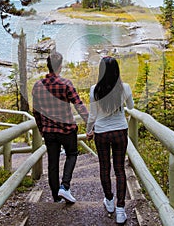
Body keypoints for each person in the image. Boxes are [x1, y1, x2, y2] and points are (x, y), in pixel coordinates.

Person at [32, 51, 89, 203]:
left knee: (52, 162)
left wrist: (41, 129)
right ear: (60, 66)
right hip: (67, 129)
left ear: (48, 66)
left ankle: (56, 196)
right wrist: (90, 124)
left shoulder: (38, 86)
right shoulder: (66, 84)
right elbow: (79, 106)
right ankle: (65, 186)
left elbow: (36, 112)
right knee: (72, 154)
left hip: (49, 131)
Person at [86, 56, 134, 224]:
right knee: (120, 170)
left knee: (104, 168)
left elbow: (92, 115)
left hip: (102, 133)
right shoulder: (125, 88)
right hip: (120, 131)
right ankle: (121, 209)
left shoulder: (94, 90)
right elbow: (131, 108)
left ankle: (109, 201)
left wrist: (88, 131)